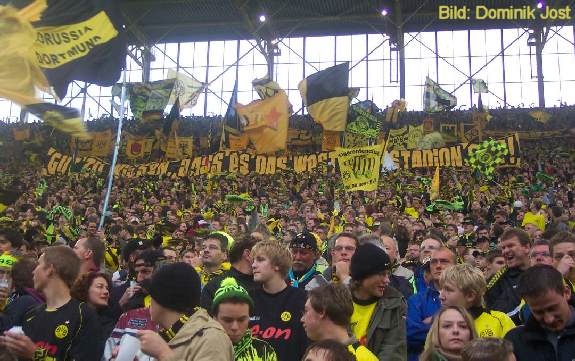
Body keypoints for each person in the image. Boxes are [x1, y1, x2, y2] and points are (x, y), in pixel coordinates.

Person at [0, 246, 102, 360]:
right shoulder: (31, 313)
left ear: (49, 270)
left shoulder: (84, 315)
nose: (33, 271)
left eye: (38, 265)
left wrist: (36, 354)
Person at [137, 262, 233, 361]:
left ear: (163, 299)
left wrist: (164, 354)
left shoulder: (211, 339)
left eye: (152, 295)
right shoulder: (168, 334)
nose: (150, 302)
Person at [250, 240, 308, 361]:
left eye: (260, 260)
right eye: (253, 261)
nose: (254, 265)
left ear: (277, 265)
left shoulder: (302, 299)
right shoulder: (248, 299)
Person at [349, 243, 407, 360]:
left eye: (388, 274)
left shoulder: (394, 303)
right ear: (362, 275)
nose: (387, 280)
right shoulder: (337, 300)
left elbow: (393, 353)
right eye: (381, 274)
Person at [504, 265, 575, 361]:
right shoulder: (515, 342)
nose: (549, 319)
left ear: (566, 292)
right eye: (538, 312)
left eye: (552, 308)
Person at [301, 283, 378, 361]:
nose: (302, 319)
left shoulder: (364, 358)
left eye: (306, 311)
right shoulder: (312, 353)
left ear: (322, 312)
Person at [439, 264, 515, 338]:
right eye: (441, 289)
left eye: (448, 290)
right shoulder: (439, 324)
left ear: (470, 296)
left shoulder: (501, 321)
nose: (441, 296)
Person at [407, 247, 456, 361]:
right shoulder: (416, 300)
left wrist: (431, 322)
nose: (438, 266)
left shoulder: (463, 297)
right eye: (434, 262)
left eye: (444, 261)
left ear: (455, 265)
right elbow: (411, 334)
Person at [212, 277, 277, 361]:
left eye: (241, 320)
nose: (234, 327)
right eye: (227, 320)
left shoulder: (264, 351)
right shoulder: (201, 350)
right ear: (214, 318)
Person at [201, 236, 258, 313]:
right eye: (260, 255)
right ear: (248, 255)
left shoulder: (265, 283)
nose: (206, 250)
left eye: (212, 247)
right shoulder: (214, 286)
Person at [485, 229, 532, 318]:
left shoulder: (543, 273)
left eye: (510, 246)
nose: (505, 251)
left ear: (526, 247)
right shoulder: (497, 280)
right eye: (503, 248)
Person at [71, 272, 116, 349]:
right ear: (85, 289)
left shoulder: (108, 322)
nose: (106, 292)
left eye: (107, 288)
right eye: (100, 287)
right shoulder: (71, 317)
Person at [0, 257, 43, 332]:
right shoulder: (32, 296)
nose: (4, 278)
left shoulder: (25, 300)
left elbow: (5, 328)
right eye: (1, 272)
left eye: (8, 274)